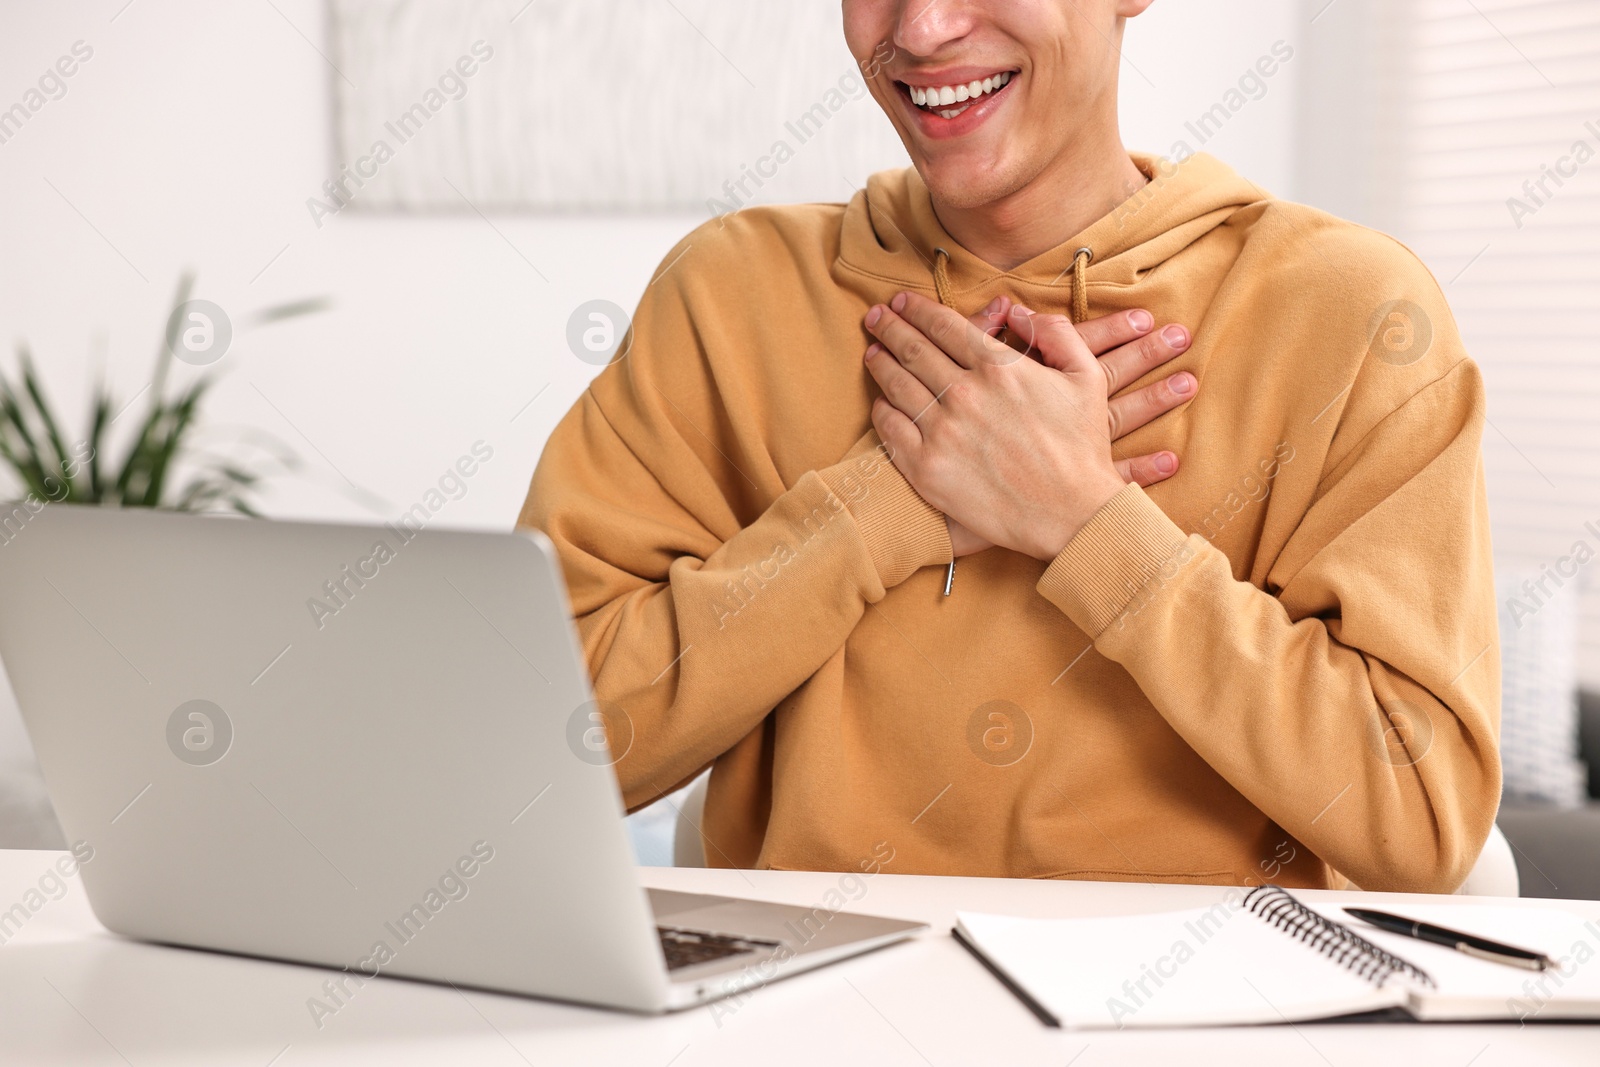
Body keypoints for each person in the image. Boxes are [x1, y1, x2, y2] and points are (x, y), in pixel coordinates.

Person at [519, 0, 1499, 892]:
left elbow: (1418, 817)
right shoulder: (730, 291)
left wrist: (1089, 523)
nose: (923, 27)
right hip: (813, 1013)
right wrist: (887, 504)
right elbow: (542, 748)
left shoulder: (1349, 311)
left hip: (1197, 1017)